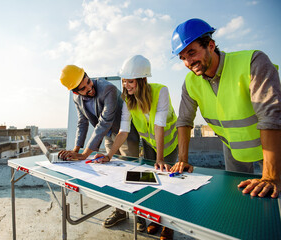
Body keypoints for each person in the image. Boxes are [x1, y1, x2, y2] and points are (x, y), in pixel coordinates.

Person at [170, 18, 281, 199]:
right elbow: (184, 120)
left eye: (192, 53)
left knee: (275, 196)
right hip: (233, 150)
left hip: (273, 148)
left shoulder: (252, 62)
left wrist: (270, 176)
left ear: (211, 46)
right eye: (182, 58)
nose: (188, 62)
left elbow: (271, 117)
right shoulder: (190, 83)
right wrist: (182, 160)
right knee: (237, 201)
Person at [94, 55, 178, 239]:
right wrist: (109, 155)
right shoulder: (127, 99)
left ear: (142, 79)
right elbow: (123, 131)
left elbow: (159, 126)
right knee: (151, 181)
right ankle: (156, 220)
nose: (126, 85)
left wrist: (160, 158)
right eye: (124, 81)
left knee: (168, 184)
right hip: (149, 144)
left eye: (130, 81)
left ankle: (168, 225)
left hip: (169, 144)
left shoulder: (161, 91)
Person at [58, 64, 140, 228]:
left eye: (88, 82)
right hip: (109, 135)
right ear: (76, 91)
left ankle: (140, 216)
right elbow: (82, 123)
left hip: (126, 134)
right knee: (113, 174)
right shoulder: (76, 98)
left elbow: (103, 123)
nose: (90, 88)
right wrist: (75, 151)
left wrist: (85, 154)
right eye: (84, 88)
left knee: (131, 175)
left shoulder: (107, 89)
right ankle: (120, 212)